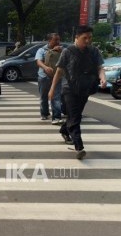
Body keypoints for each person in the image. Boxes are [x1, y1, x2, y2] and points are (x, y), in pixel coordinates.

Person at [49, 25, 106, 160]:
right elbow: (59, 71)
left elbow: (100, 68)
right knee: (75, 117)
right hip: (69, 89)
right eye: (84, 38)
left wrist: (103, 77)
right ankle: (79, 147)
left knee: (75, 115)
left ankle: (64, 130)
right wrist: (52, 89)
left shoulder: (94, 51)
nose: (87, 41)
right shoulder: (68, 51)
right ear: (77, 37)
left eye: (89, 38)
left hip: (85, 89)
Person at [35, 33, 63, 124]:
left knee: (56, 97)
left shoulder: (62, 50)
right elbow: (38, 61)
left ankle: (56, 117)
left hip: (57, 77)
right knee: (44, 96)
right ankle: (44, 113)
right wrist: (45, 67)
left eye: (59, 40)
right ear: (49, 40)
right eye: (55, 40)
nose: (58, 42)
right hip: (44, 77)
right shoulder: (41, 50)